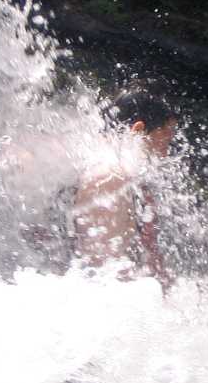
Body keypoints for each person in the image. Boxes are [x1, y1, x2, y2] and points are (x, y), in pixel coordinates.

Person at [70, 90, 176, 288]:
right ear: (138, 130)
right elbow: (100, 274)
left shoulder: (118, 176)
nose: (165, 152)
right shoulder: (109, 178)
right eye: (165, 137)